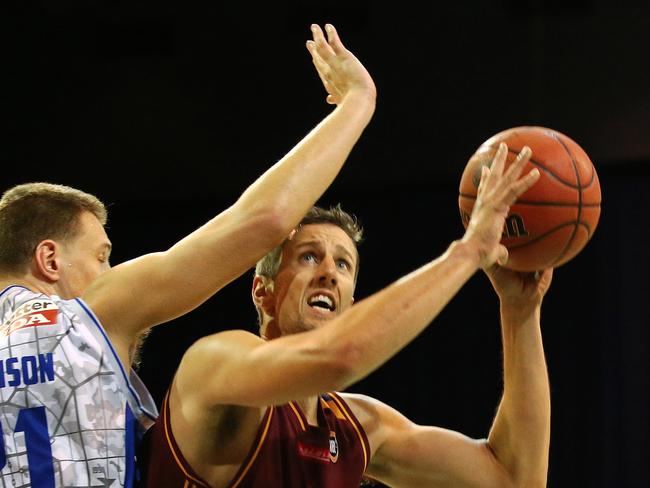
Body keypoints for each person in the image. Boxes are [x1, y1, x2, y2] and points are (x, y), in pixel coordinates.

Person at [0, 23, 376, 487]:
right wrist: (358, 103)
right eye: (101, 257)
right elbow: (265, 221)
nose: (108, 272)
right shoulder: (87, 317)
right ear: (50, 260)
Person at [140, 136, 552, 488]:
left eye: (343, 265)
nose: (328, 275)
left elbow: (514, 477)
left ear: (352, 305)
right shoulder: (212, 366)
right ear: (262, 292)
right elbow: (341, 356)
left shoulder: (356, 426)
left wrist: (520, 312)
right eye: (308, 257)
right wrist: (466, 253)